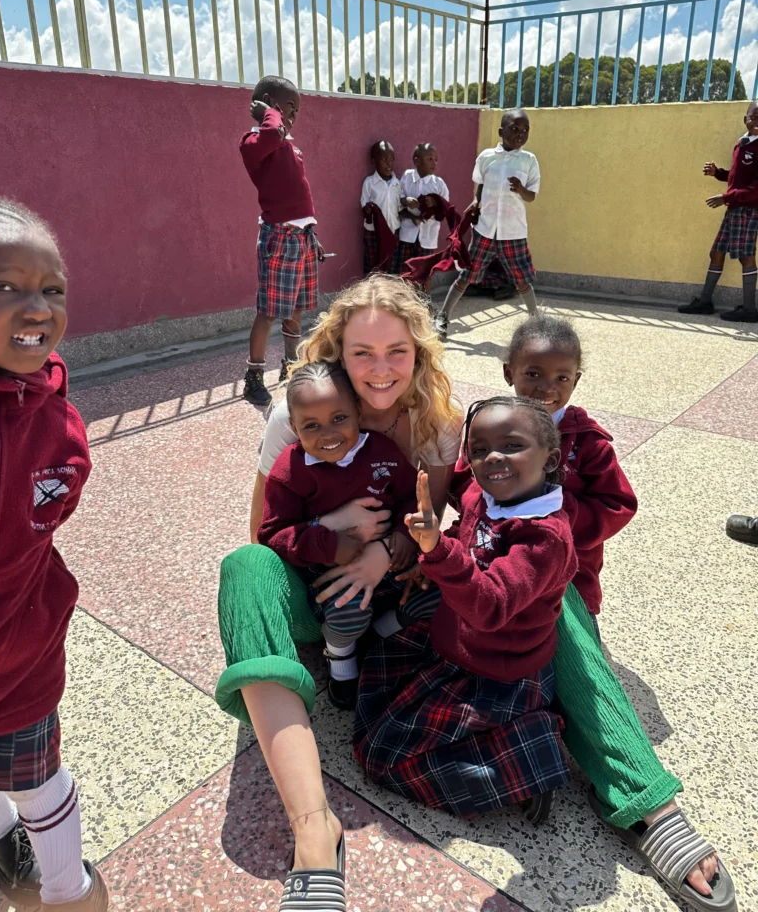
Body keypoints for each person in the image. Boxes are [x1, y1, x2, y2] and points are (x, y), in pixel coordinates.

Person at [217, 275, 734, 912]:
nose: (381, 370)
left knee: (552, 582)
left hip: (408, 589)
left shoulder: (437, 419)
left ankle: (644, 796)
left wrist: (385, 551)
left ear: (420, 353)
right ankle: (314, 833)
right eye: (362, 353)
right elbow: (264, 535)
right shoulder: (298, 414)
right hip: (325, 586)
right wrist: (335, 532)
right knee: (243, 569)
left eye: (397, 351)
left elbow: (434, 523)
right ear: (336, 353)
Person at [354, 398, 576, 822]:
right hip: (455, 644)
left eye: (512, 445)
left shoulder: (545, 538)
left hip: (494, 674)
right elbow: (469, 534)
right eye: (478, 449)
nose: (492, 457)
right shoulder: (484, 496)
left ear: (550, 459)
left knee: (379, 757)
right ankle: (510, 746)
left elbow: (490, 606)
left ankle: (531, 758)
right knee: (379, 671)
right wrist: (436, 555)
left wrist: (438, 552)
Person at [0, 199, 108, 910]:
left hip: (23, 648)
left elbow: (59, 496)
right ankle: (3, 843)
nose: (37, 305)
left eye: (53, 287)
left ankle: (69, 889)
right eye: (6, 285)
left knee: (36, 773)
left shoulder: (54, 404)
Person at [257, 360, 438, 710]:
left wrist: (402, 533)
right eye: (311, 425)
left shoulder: (382, 452)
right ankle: (341, 662)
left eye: (339, 418)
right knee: (347, 609)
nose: (328, 434)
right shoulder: (290, 471)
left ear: (357, 411)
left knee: (434, 594)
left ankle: (380, 635)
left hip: (391, 565)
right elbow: (272, 534)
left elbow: (407, 497)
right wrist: (329, 543)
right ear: (294, 426)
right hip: (333, 574)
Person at [503, 314, 638, 617]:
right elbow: (464, 480)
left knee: (568, 648)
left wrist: (558, 512)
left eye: (561, 378)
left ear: (576, 379)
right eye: (533, 374)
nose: (546, 388)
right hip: (502, 560)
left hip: (570, 574)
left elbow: (618, 504)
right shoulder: (491, 429)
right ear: (509, 373)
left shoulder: (589, 444)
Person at [239, 75, 323, 406]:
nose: (292, 115)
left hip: (301, 237)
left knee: (296, 309)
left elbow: (299, 194)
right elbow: (272, 132)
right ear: (265, 104)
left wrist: (311, 232)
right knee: (269, 311)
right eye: (287, 107)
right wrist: (266, 115)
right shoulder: (254, 140)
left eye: (296, 110)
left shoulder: (288, 143)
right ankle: (254, 376)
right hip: (279, 238)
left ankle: (291, 368)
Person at [435, 109, 540, 340]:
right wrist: (475, 201)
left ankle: (536, 321)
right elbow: (480, 185)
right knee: (466, 276)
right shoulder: (486, 157)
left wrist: (521, 189)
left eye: (525, 130)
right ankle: (442, 317)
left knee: (522, 281)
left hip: (513, 232)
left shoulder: (529, 160)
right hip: (485, 229)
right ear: (501, 131)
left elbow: (531, 195)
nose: (520, 134)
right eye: (515, 128)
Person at [679, 100, 758, 323]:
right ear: (745, 118)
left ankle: (750, 309)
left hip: (749, 210)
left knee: (746, 256)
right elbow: (736, 176)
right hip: (733, 208)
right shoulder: (741, 143)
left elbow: (756, 189)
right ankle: (705, 302)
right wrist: (718, 173)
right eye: (753, 116)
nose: (756, 120)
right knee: (716, 252)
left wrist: (726, 198)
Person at [390, 144, 449, 291]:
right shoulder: (407, 177)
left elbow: (445, 209)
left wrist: (433, 204)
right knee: (405, 268)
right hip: (408, 234)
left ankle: (425, 301)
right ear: (416, 161)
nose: (434, 163)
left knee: (425, 271)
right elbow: (398, 198)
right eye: (429, 159)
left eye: (436, 159)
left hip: (427, 236)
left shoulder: (439, 184)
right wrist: (407, 201)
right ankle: (404, 300)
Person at [361, 141, 401, 275]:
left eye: (392, 159)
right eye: (384, 159)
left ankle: (388, 294)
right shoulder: (369, 183)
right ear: (374, 161)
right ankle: (372, 293)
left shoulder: (397, 184)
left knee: (391, 266)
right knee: (374, 266)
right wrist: (367, 209)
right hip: (373, 233)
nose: (389, 163)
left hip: (392, 231)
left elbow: (400, 207)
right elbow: (364, 204)